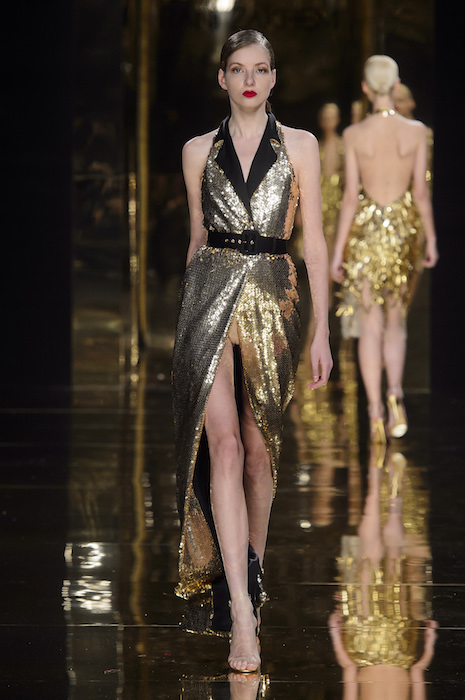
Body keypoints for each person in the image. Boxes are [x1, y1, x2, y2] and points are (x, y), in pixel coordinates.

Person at [172, 29, 332, 672]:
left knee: (260, 448)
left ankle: (252, 572)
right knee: (226, 446)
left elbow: (313, 242)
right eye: (238, 69)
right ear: (222, 78)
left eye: (260, 69)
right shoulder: (196, 152)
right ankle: (240, 609)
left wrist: (322, 332)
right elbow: (196, 239)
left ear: (272, 78)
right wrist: (184, 326)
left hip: (275, 296)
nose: (249, 80)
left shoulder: (301, 146)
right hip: (208, 297)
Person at [331, 55, 438, 442]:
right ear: (395, 85)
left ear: (365, 88)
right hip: (402, 233)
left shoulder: (354, 134)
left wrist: (337, 251)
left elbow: (349, 198)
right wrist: (432, 238)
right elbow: (421, 192)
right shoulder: (416, 131)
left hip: (365, 234)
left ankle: (375, 409)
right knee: (395, 321)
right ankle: (395, 393)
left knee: (370, 325)